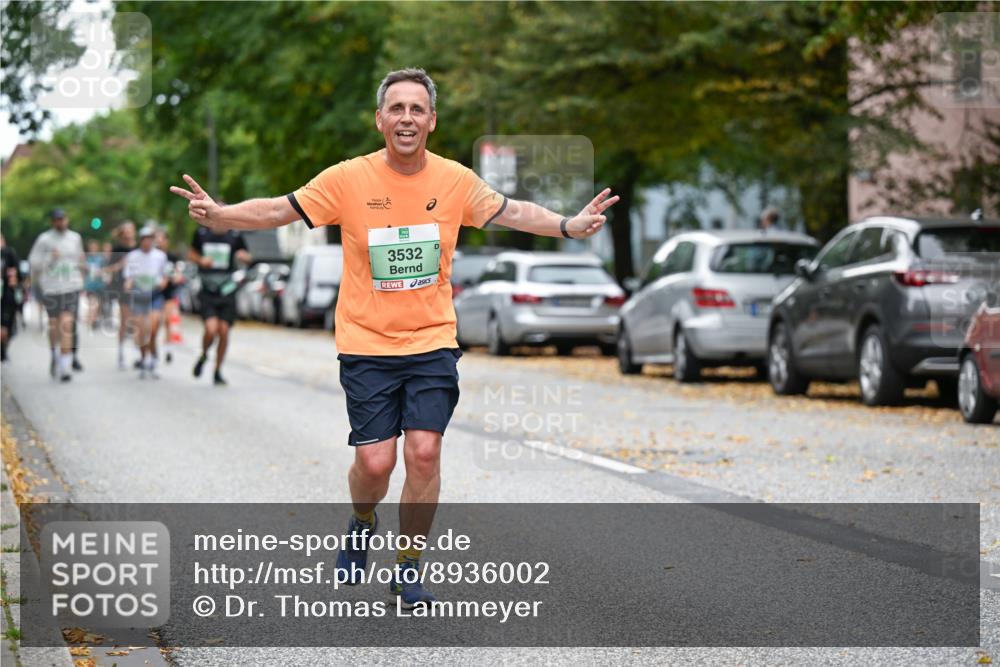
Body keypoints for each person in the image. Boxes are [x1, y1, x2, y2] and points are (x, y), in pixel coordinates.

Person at [170, 68, 615, 608]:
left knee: (424, 453)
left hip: (431, 341)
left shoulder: (455, 181)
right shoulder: (347, 179)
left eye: (417, 109)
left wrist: (569, 224)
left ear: (432, 120)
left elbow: (513, 211)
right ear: (380, 119)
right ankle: (362, 521)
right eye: (397, 108)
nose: (407, 118)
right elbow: (277, 209)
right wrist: (220, 216)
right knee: (377, 464)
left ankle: (408, 567)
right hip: (366, 345)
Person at [188, 219, 250, 385]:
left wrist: (243, 256)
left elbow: (248, 256)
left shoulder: (235, 237)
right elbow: (191, 253)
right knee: (211, 328)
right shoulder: (201, 234)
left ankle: (217, 370)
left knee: (223, 331)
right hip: (208, 289)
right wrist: (201, 261)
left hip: (227, 290)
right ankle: (204, 355)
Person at [27, 208, 86, 382]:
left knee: (67, 324)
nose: (61, 222)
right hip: (52, 288)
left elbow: (80, 258)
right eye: (57, 220)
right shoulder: (44, 239)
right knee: (54, 325)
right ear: (52, 222)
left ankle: (66, 367)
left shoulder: (75, 238)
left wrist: (82, 272)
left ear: (67, 220)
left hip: (71, 286)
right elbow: (33, 263)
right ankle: (54, 354)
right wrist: (50, 258)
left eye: (63, 219)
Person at [124, 226, 169, 379]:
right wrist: (128, 284)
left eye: (151, 239)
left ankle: (154, 360)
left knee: (153, 329)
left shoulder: (160, 256)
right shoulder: (133, 256)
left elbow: (165, 274)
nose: (148, 242)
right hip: (139, 296)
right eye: (145, 239)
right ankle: (144, 360)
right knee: (142, 332)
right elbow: (129, 276)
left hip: (154, 295)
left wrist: (163, 281)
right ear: (141, 240)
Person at [108, 221, 138, 369]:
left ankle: (139, 352)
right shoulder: (118, 249)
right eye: (125, 230)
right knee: (126, 321)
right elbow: (109, 269)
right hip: (123, 287)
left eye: (130, 229)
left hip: (140, 287)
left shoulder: (140, 247)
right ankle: (121, 353)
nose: (128, 232)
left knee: (138, 321)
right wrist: (121, 264)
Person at [1, 234, 22, 363]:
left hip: (7, 296)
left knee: (5, 329)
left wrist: (14, 280)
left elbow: (16, 275)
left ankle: (3, 349)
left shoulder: (8, 254)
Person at [83, 239, 107, 330]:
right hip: (90, 285)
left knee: (99, 305)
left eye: (94, 247)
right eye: (91, 248)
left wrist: (101, 272)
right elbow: (83, 271)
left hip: (100, 285)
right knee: (93, 304)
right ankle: (91, 322)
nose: (93, 249)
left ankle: (94, 319)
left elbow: (106, 270)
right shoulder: (87, 259)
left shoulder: (101, 258)